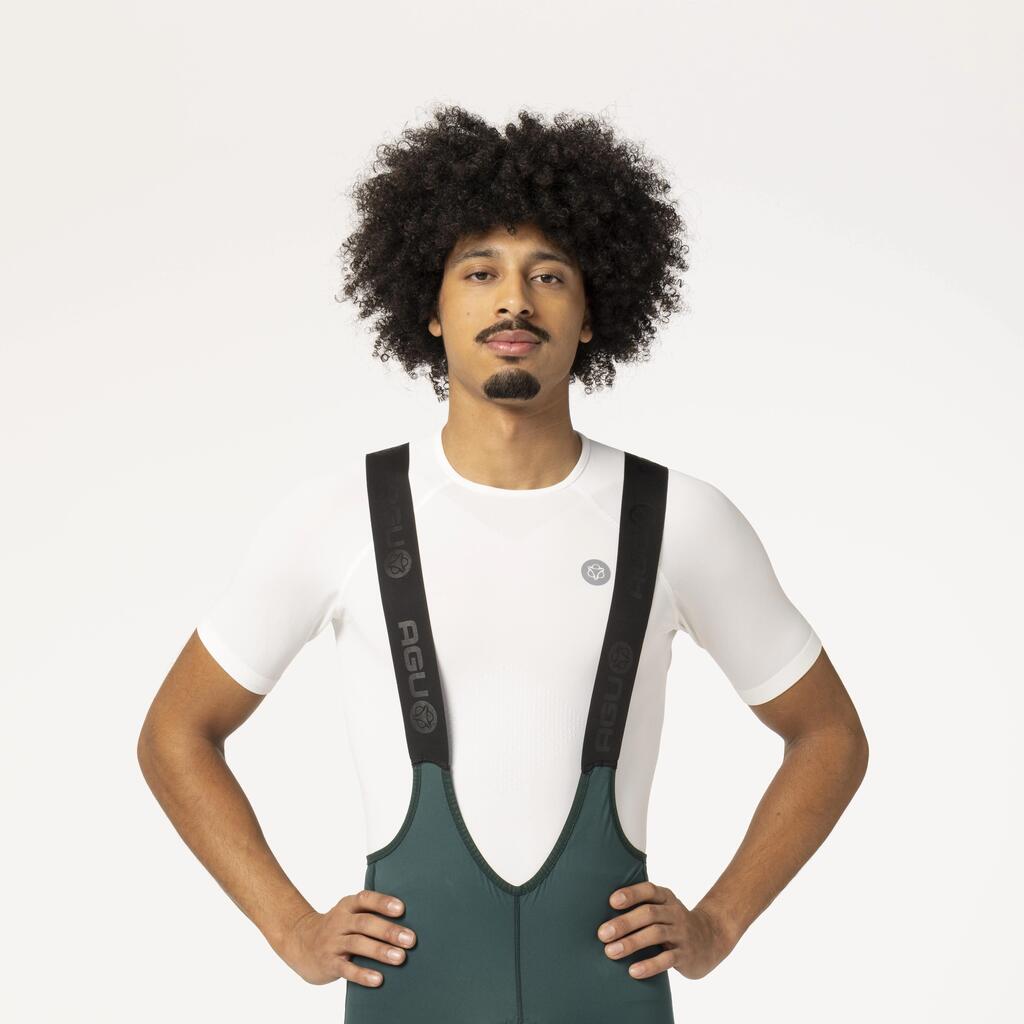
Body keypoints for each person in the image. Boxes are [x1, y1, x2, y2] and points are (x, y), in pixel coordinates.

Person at [138, 106, 869, 1021]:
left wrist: (719, 924)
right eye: (480, 272)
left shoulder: (679, 519)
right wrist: (290, 929)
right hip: (411, 990)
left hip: (606, 994)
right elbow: (176, 732)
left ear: (592, 314)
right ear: (431, 309)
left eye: (548, 275)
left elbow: (830, 736)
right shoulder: (339, 516)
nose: (514, 300)